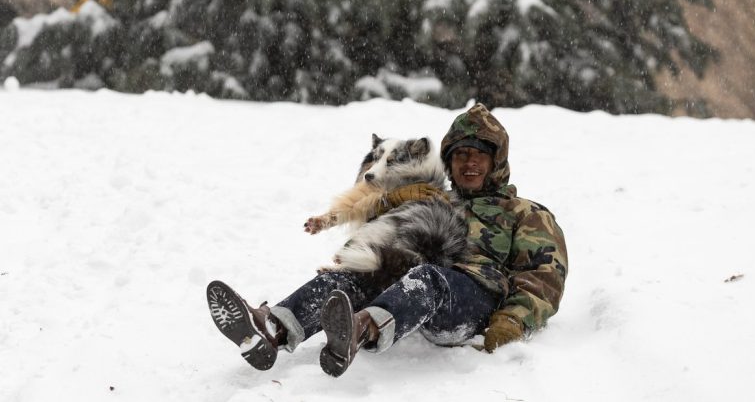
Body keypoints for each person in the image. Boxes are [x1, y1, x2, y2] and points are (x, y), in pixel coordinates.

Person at [206, 103, 568, 377]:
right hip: (413, 275)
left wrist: (512, 321)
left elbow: (543, 278)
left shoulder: (524, 212)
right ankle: (273, 328)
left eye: (479, 155)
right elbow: (375, 217)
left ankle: (361, 329)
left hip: (472, 296)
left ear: (497, 161)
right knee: (353, 276)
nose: (469, 163)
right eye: (461, 155)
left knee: (428, 278)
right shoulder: (432, 196)